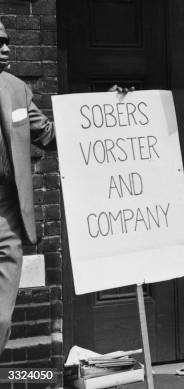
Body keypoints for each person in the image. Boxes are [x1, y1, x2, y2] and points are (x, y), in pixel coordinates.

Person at [0, 19, 56, 354]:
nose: (6, 48)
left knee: (1, 318)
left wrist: (102, 109)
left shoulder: (17, 89)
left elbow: (48, 135)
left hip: (5, 211)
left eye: (6, 41)